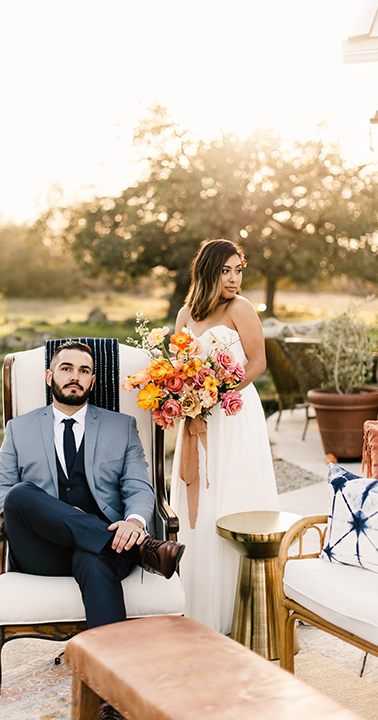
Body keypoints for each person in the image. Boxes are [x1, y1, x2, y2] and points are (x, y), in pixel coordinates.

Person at [0, 340, 185, 630]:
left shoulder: (121, 427)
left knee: (94, 560)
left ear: (92, 381)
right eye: (66, 368)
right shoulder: (19, 428)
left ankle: (110, 666)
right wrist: (53, 512)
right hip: (42, 549)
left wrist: (134, 522)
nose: (74, 377)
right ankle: (141, 550)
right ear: (49, 376)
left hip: (110, 548)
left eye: (83, 371)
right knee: (19, 494)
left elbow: (139, 487)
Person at [170, 239, 279, 634]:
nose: (234, 279)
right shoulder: (185, 313)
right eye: (226, 271)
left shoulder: (241, 308)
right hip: (195, 418)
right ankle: (194, 600)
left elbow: (257, 362)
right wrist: (185, 394)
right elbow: (178, 366)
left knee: (231, 494)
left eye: (239, 271)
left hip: (233, 416)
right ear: (208, 271)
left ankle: (239, 605)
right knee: (198, 501)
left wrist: (220, 392)